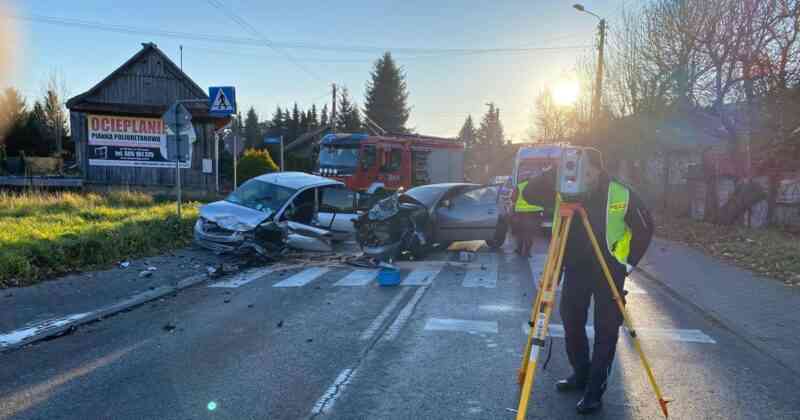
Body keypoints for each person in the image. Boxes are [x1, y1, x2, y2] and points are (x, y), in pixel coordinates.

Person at [522, 149, 653, 414]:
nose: (586, 178)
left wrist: (627, 264)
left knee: (606, 331)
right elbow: (529, 195)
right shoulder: (565, 187)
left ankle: (595, 390)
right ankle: (580, 373)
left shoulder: (620, 192)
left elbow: (645, 226)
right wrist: (557, 172)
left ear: (599, 170)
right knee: (571, 322)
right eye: (581, 171)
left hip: (608, 270)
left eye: (590, 173)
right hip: (575, 269)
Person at [510, 178, 544, 256]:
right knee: (530, 234)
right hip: (534, 213)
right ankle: (527, 252)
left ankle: (519, 249)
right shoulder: (538, 187)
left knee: (520, 233)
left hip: (521, 213)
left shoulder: (520, 186)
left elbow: (513, 198)